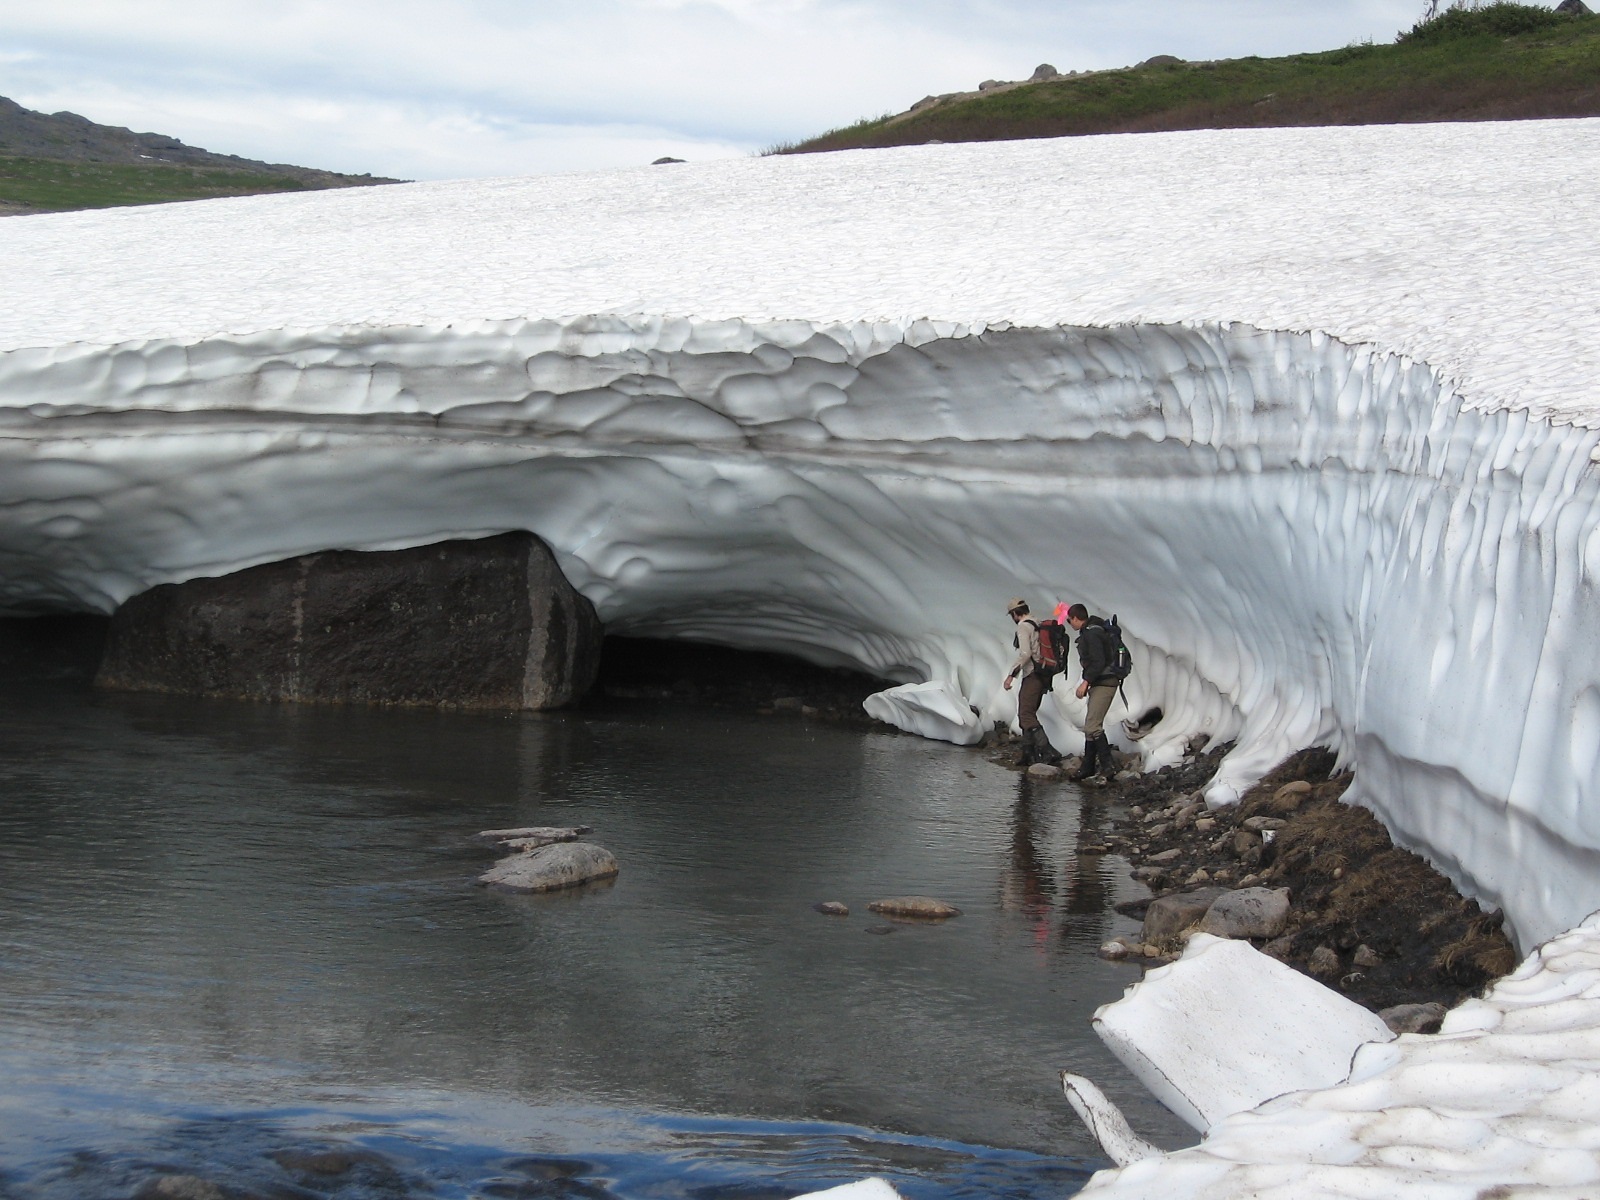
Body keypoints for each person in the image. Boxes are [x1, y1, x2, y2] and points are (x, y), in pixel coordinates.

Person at [1001, 598, 1062, 767]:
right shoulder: (1037, 622)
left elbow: (1025, 654)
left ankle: (1048, 750)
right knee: (1028, 712)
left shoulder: (1023, 626)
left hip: (1033, 674)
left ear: (1015, 613)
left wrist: (1011, 675)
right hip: (1044, 674)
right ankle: (1028, 754)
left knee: (1025, 714)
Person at [1065, 603, 1119, 784]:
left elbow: (1098, 661)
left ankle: (1108, 766)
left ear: (1075, 618)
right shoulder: (1091, 631)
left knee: (1092, 726)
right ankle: (1087, 767)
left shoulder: (1092, 633)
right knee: (1090, 726)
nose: (1069, 624)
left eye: (1068, 620)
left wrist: (1085, 682)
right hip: (1100, 682)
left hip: (1105, 682)